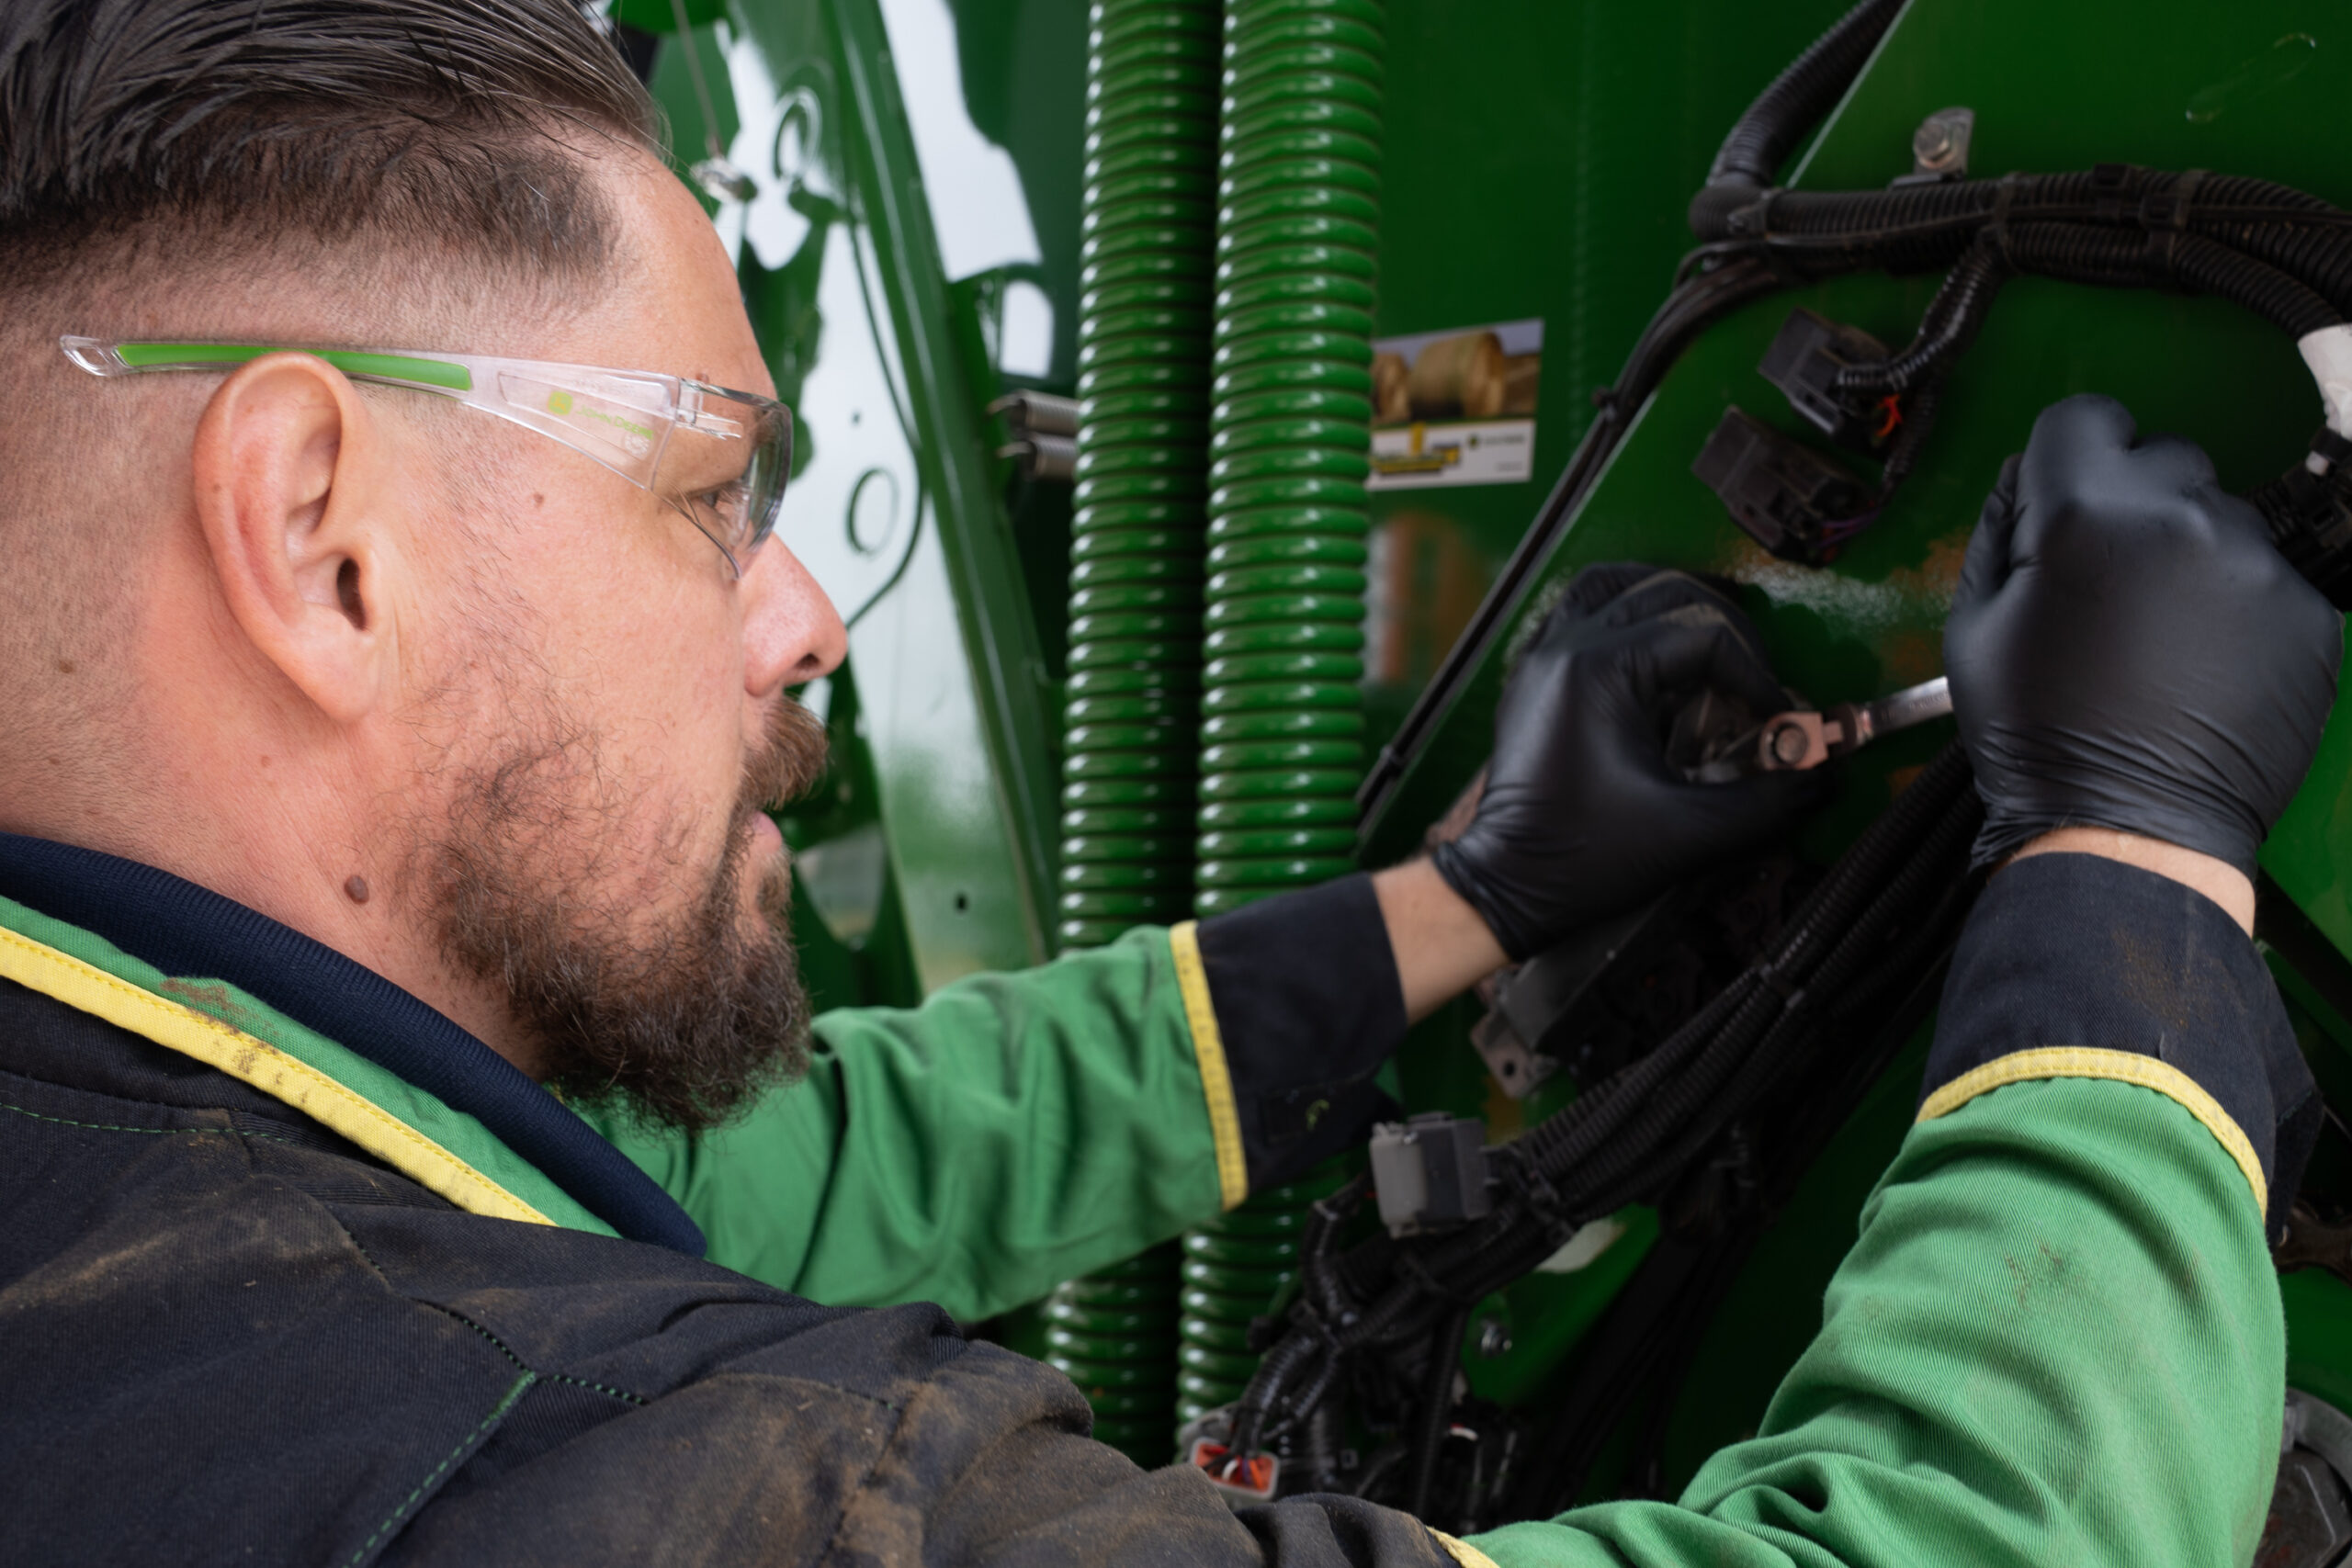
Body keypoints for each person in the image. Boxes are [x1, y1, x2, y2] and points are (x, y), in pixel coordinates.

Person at [0, 3, 2335, 1566]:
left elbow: (801, 1158)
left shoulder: (147, 1164)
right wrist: (2129, 862)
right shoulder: (631, 1479)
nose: (800, 612)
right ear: (322, 537)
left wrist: (1477, 895)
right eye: (709, 487)